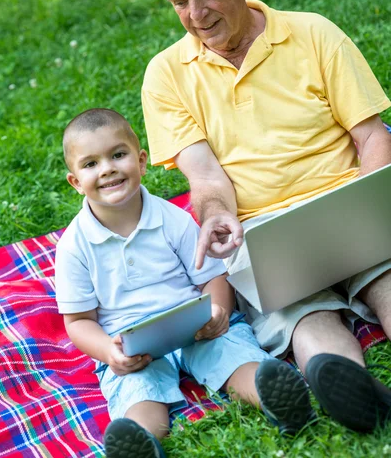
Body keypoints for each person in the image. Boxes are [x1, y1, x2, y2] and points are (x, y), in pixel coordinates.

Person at [142, 0, 391, 433]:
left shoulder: (313, 32)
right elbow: (206, 179)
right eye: (178, 2)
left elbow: (372, 137)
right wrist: (215, 218)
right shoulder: (165, 75)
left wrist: (374, 208)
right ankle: (353, 391)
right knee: (304, 315)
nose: (195, 15)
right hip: (263, 230)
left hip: (347, 201)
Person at [54, 108, 314, 458]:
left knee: (232, 355)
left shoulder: (171, 218)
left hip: (194, 324)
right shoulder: (73, 247)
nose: (107, 169)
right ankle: (141, 442)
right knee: (140, 392)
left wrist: (219, 310)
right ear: (75, 181)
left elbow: (212, 276)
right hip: (132, 345)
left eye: (118, 155)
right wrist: (109, 353)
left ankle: (277, 399)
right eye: (90, 164)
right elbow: (78, 322)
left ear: (141, 160)